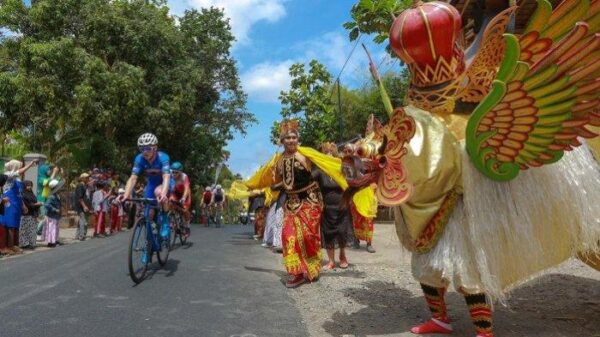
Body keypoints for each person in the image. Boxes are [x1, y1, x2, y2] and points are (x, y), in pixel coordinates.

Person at [120, 133, 171, 240]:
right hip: (151, 184)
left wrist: (164, 193)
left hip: (164, 183)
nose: (144, 152)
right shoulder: (139, 159)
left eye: (148, 148)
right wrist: (126, 194)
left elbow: (166, 177)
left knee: (159, 192)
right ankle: (149, 247)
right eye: (141, 149)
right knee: (148, 215)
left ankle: (166, 221)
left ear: (155, 148)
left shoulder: (163, 157)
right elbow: (133, 178)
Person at [314, 142, 352, 269]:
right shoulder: (319, 172)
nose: (329, 155)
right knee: (329, 233)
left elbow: (352, 181)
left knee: (342, 232)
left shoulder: (342, 169)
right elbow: (309, 182)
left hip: (343, 206)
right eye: (326, 153)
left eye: (331, 153)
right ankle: (331, 261)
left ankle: (342, 255)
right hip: (327, 208)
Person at [1, 159, 37, 254]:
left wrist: (23, 205)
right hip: (9, 203)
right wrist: (30, 165)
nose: (21, 168)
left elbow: (19, 194)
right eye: (19, 166)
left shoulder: (17, 179)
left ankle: (14, 245)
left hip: (17, 203)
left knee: (16, 225)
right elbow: (19, 172)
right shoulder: (8, 175)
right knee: (10, 225)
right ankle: (9, 246)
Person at [170, 161, 191, 237]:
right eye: (173, 172)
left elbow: (186, 188)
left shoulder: (184, 176)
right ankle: (174, 221)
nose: (174, 174)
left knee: (185, 209)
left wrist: (184, 198)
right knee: (170, 201)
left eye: (176, 172)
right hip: (175, 193)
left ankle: (187, 227)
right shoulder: (170, 175)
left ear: (180, 172)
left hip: (185, 193)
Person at [20, 180, 42, 249]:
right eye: (28, 185)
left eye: (30, 185)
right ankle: (24, 244)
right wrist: (36, 204)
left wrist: (38, 204)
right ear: (24, 186)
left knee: (32, 230)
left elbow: (33, 201)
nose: (29, 187)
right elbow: (26, 205)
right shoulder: (22, 194)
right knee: (25, 230)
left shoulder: (31, 193)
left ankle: (31, 243)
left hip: (32, 214)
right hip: (26, 215)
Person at [44, 179, 64, 247]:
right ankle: (51, 242)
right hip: (52, 216)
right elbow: (47, 205)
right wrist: (55, 209)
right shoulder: (51, 196)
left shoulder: (57, 195)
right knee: (52, 229)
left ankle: (55, 240)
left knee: (56, 228)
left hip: (56, 216)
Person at [74, 173, 92, 241]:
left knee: (82, 221)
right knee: (83, 221)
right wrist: (84, 206)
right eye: (87, 178)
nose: (88, 179)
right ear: (83, 178)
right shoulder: (80, 186)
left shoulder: (86, 186)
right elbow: (80, 198)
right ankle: (82, 236)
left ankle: (78, 235)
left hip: (86, 206)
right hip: (81, 206)